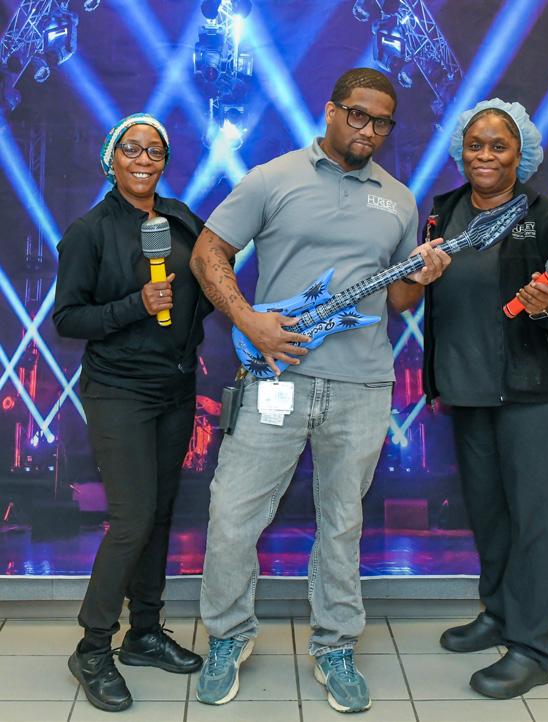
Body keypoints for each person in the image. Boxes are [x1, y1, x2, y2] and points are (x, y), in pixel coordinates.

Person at [189, 68, 450, 713]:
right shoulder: (272, 177)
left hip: (362, 386)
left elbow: (398, 298)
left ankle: (335, 645)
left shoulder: (398, 199)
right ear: (331, 110)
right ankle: (227, 635)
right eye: (358, 114)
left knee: (342, 525)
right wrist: (248, 320)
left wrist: (424, 277)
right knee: (232, 515)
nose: (368, 129)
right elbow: (207, 254)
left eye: (382, 122)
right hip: (275, 378)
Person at [422, 99, 548, 698]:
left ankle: (534, 649)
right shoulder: (444, 212)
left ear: (520, 155)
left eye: (499, 146)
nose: (485, 156)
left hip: (533, 396)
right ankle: (498, 614)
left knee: (533, 521)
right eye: (476, 145)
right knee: (491, 516)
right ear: (460, 150)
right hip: (468, 392)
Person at [54, 113, 211, 712]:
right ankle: (92, 648)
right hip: (118, 390)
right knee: (133, 517)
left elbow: (209, 280)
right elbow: (68, 319)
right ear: (111, 158)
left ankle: (144, 632)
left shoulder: (180, 218)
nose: (144, 160)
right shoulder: (88, 232)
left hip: (175, 388)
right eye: (132, 149)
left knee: (161, 513)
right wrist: (135, 305)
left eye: (155, 151)